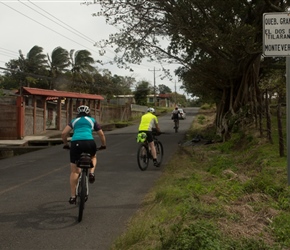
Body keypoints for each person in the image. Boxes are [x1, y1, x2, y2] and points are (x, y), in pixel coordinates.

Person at [61, 105, 106, 204]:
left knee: (75, 171)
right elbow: (101, 134)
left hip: (75, 143)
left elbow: (64, 133)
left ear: (78, 112)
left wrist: (66, 144)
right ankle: (91, 172)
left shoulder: (74, 121)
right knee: (93, 156)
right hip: (89, 142)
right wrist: (103, 145)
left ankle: (73, 196)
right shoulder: (92, 120)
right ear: (88, 112)